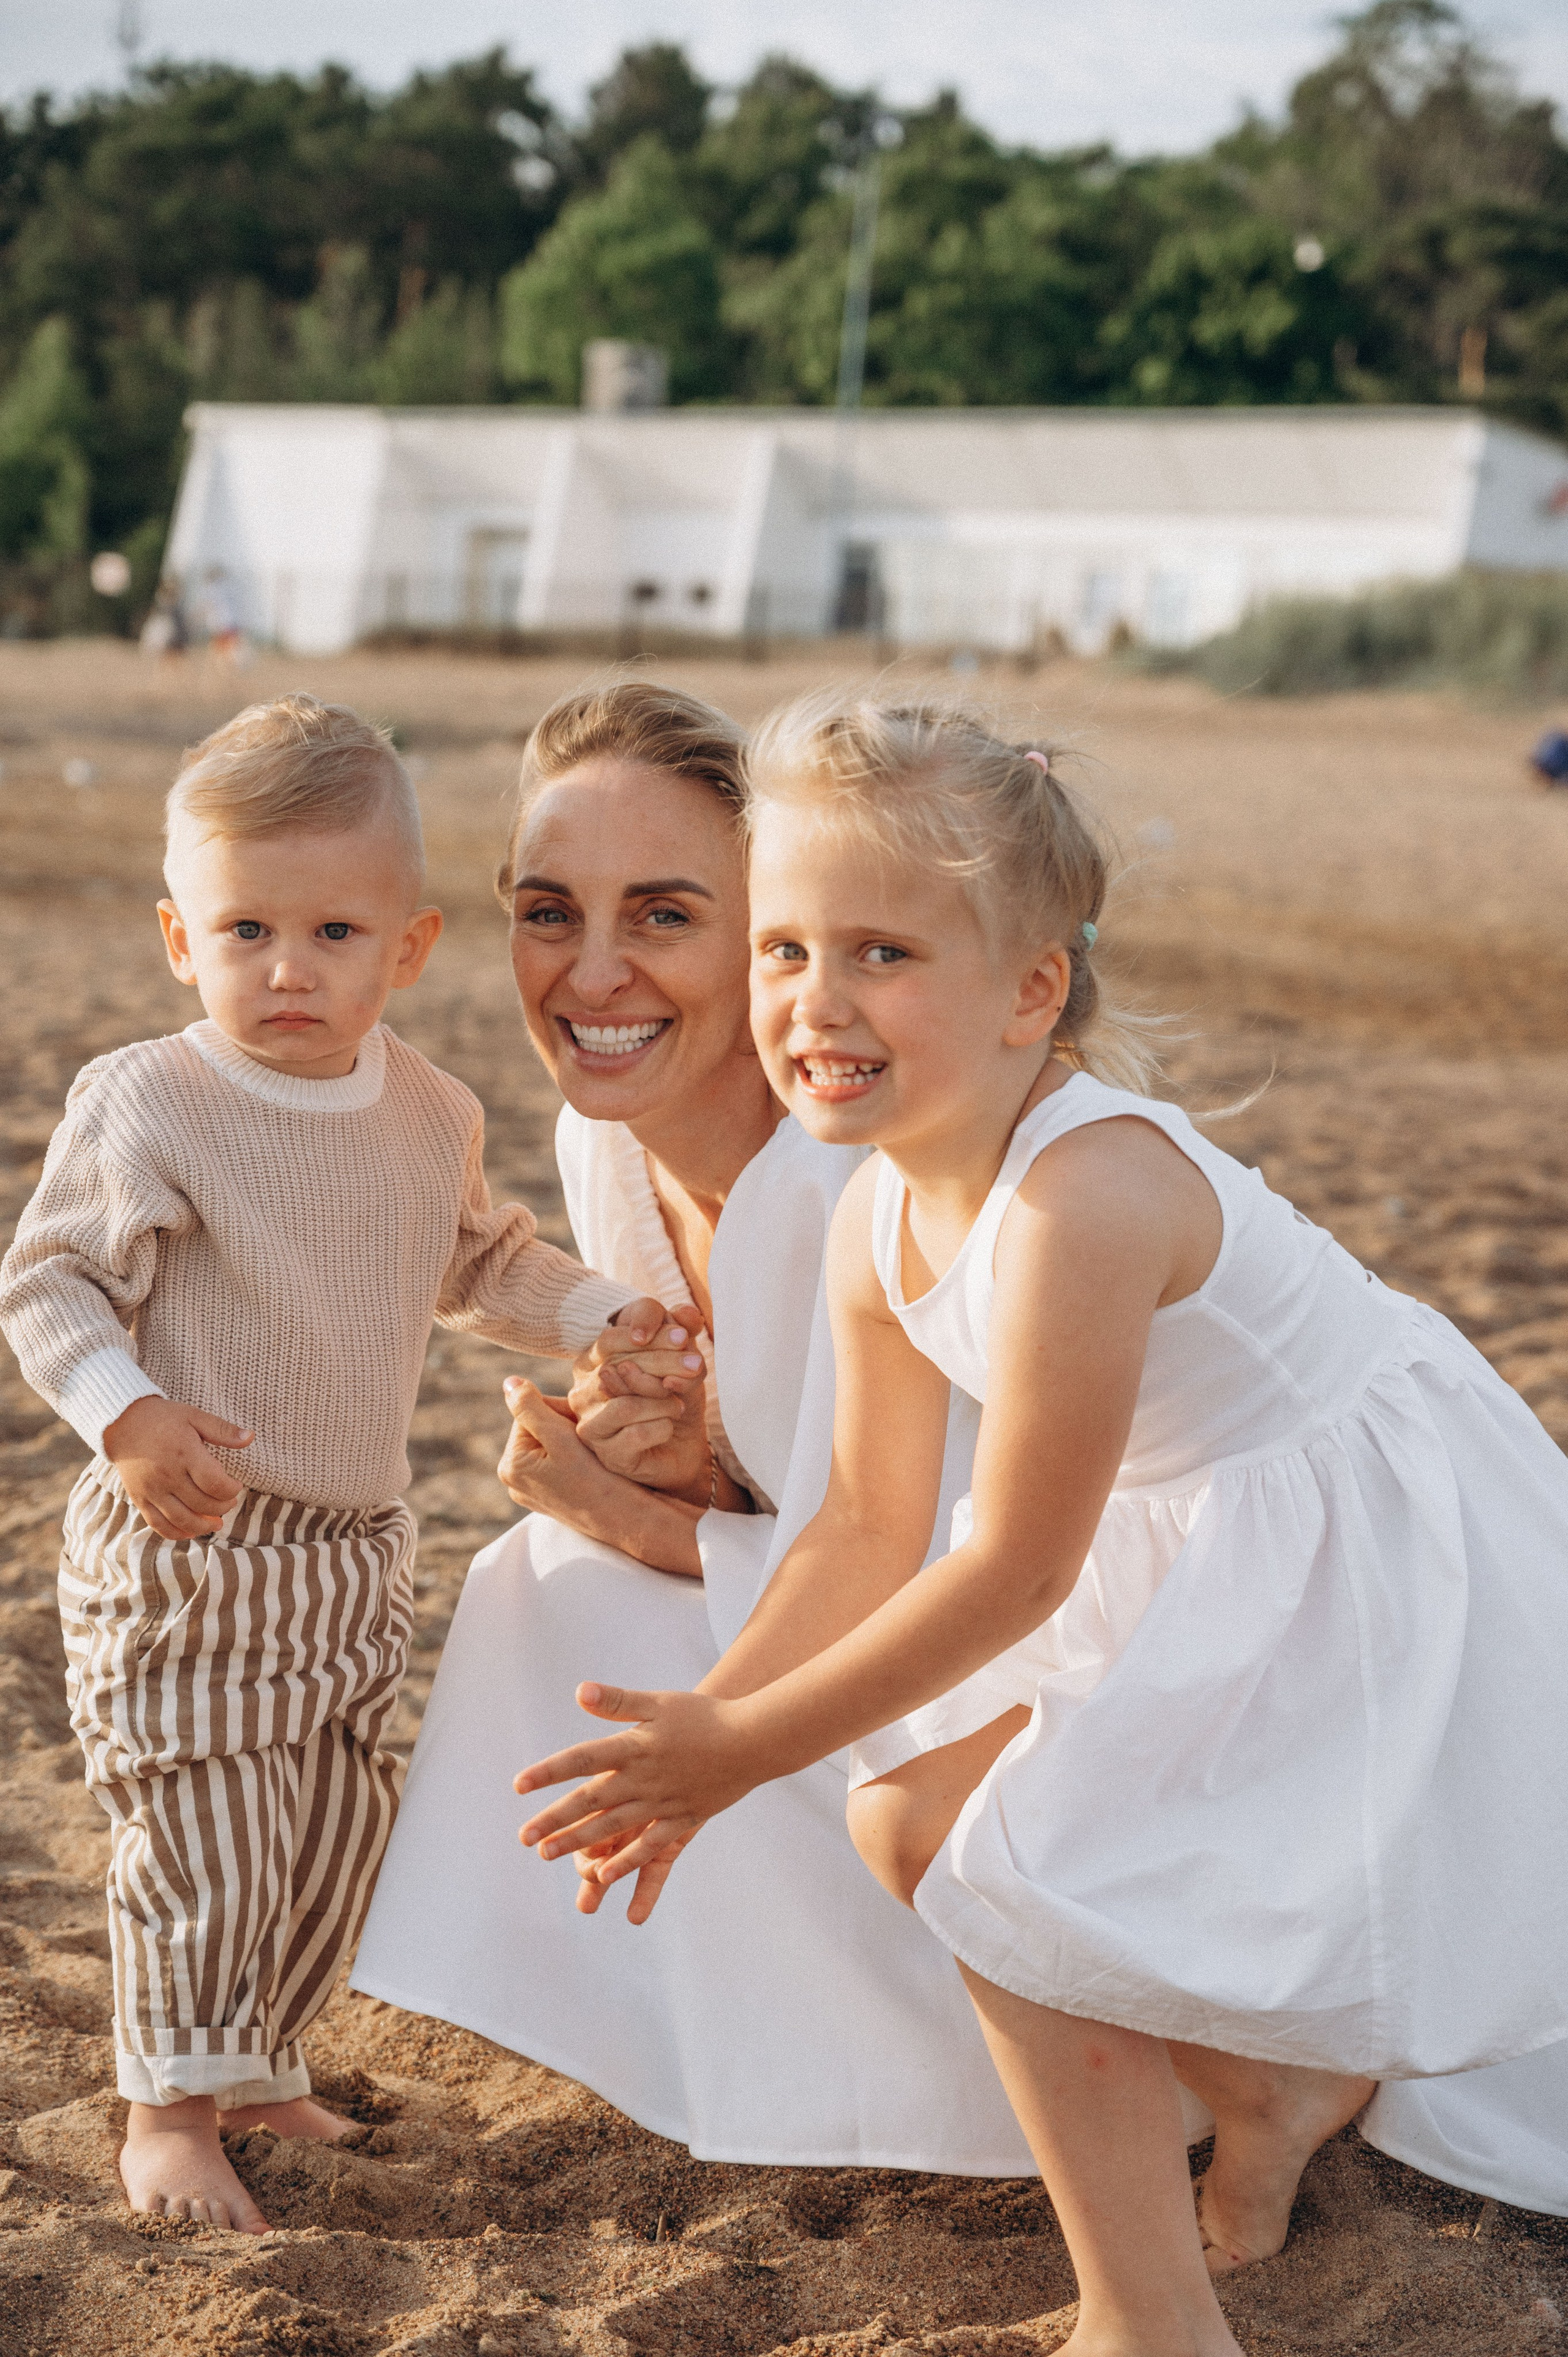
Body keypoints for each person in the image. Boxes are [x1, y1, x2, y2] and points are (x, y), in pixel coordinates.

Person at [515, 696, 1568, 2353]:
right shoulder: (877, 1202)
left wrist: (738, 1751)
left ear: (1032, 990)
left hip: (1353, 1550)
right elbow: (867, 1520)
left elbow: (1015, 1566)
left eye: (882, 954)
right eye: (783, 950)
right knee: (918, 1823)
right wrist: (718, 1723)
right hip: (1194, 1534)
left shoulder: (1086, 1198)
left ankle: (1151, 2320)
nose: (815, 1004)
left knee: (996, 1849)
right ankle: (1275, 2098)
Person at [355, 682, 1185, 2171]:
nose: (591, 971)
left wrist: (643, 1517)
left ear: (765, 926)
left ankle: (943, 2073)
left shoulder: (851, 1163)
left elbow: (936, 1559)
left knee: (588, 1580)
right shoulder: (599, 1135)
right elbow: (802, 1493)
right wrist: (684, 1467)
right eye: (549, 911)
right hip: (892, 1582)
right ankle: (647, 2014)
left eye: (664, 915)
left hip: (1075, 1639)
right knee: (543, 1589)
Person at [0, 694, 669, 2236]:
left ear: (409, 948)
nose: (287, 969)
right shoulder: (149, 1099)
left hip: (354, 1547)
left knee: (325, 1825)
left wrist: (603, 1310)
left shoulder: (424, 1110)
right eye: (246, 930)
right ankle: (168, 2104)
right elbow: (48, 1284)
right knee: (203, 1825)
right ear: (182, 939)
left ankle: (258, 2063)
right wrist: (128, 1412)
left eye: (331, 932)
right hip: (190, 1541)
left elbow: (477, 1260)